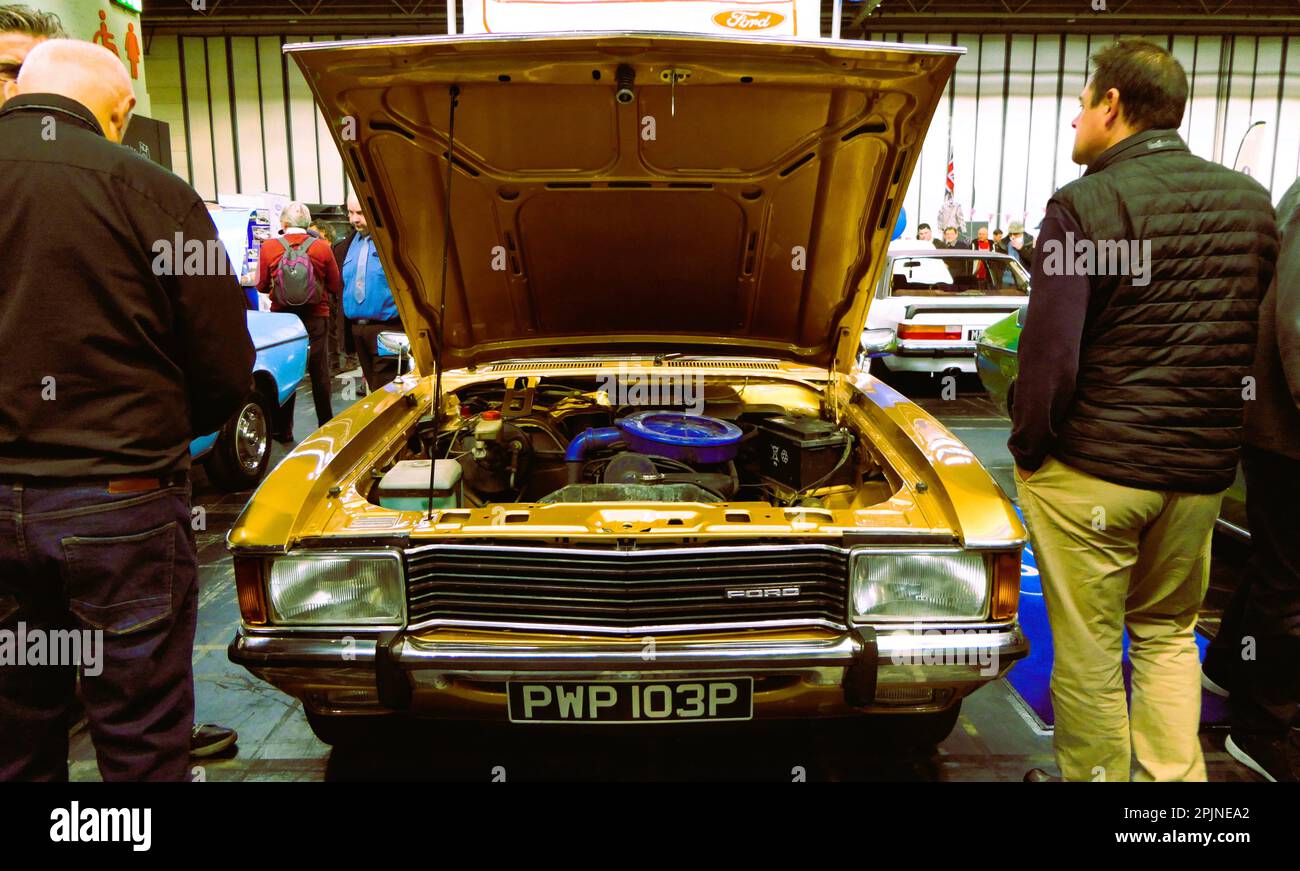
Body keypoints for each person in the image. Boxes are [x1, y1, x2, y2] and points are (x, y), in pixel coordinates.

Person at [1013, 39, 1277, 783]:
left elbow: (1050, 358)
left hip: (1097, 470)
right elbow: (1246, 337)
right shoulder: (1250, 204)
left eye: (1082, 101)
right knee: (1167, 634)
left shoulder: (1083, 206)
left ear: (1113, 107)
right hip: (1197, 478)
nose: (1074, 117)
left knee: (1094, 650)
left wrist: (1031, 449)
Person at [0, 40, 255, 781]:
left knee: (16, 728)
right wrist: (151, 440)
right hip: (118, 506)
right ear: (119, 111)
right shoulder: (150, 191)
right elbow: (224, 363)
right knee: (138, 728)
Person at [1203, 177, 1300, 782]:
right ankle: (1262, 727)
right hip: (1289, 430)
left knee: (1278, 569)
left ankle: (1225, 666)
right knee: (1290, 589)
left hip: (1275, 423)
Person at [257, 202, 342, 434]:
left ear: (283, 224)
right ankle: (325, 424)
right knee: (319, 372)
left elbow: (262, 286)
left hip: (282, 320)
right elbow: (335, 284)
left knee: (286, 369)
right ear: (307, 224)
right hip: (316, 317)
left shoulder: (269, 247)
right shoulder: (322, 248)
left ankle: (283, 429)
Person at [339, 193, 403, 391]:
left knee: (386, 391)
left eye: (360, 213)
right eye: (350, 212)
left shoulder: (393, 243)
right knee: (375, 390)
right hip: (358, 331)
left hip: (388, 329)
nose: (354, 219)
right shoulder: (346, 246)